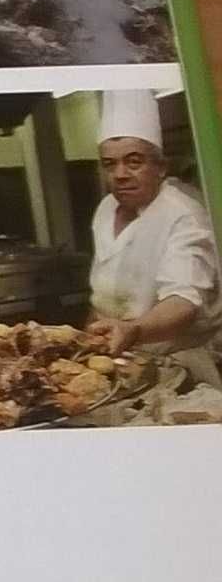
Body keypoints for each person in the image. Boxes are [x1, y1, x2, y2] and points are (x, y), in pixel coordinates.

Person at [86, 87, 221, 380]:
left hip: (178, 367)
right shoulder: (106, 208)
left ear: (160, 167)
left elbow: (183, 300)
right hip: (114, 359)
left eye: (134, 161)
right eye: (109, 164)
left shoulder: (183, 214)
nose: (120, 174)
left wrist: (133, 330)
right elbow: (102, 297)